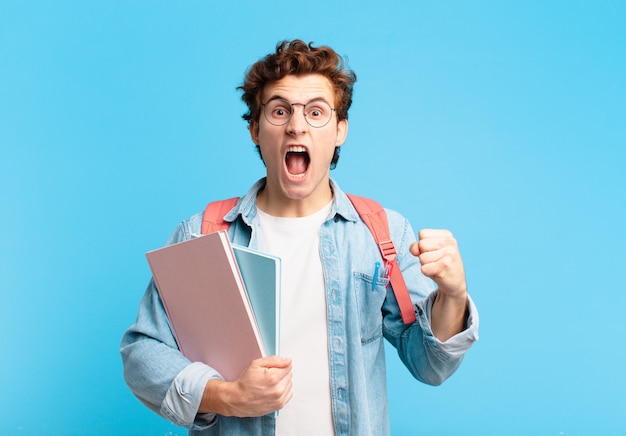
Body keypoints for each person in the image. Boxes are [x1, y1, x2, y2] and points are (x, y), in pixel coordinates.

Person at [121, 39, 479, 435]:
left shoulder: (381, 234)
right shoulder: (202, 234)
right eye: (279, 111)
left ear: (340, 130)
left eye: (315, 112)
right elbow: (143, 354)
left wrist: (453, 295)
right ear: (256, 130)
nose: (296, 125)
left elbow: (430, 364)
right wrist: (226, 396)